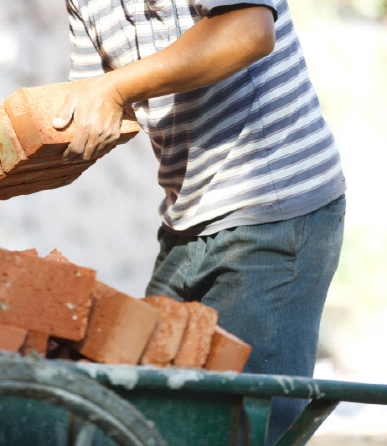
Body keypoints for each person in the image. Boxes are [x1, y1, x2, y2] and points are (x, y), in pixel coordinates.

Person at [53, 0, 346, 443]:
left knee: (239, 427)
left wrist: (111, 91)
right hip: (186, 221)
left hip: (274, 206)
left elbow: (248, 31)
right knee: (144, 411)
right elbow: (99, 96)